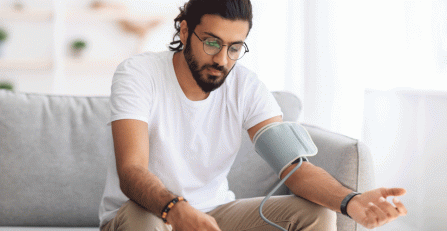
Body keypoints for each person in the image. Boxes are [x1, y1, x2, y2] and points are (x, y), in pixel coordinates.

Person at [98, 0, 408, 230]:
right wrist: (177, 210)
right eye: (211, 43)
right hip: (142, 213)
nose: (221, 59)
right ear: (184, 29)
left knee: (317, 214)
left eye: (234, 48)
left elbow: (294, 168)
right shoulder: (139, 73)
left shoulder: (245, 87)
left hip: (212, 214)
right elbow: (132, 170)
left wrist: (350, 201)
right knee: (148, 222)